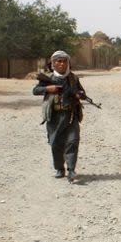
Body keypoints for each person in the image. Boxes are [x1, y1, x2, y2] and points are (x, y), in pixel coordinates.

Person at [32, 50, 88, 182]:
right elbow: (35, 90)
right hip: (54, 117)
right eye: (59, 61)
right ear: (53, 63)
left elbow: (83, 93)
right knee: (55, 143)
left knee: (73, 141)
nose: (62, 64)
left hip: (71, 114)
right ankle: (59, 168)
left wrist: (79, 94)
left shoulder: (73, 78)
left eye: (64, 61)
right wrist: (48, 89)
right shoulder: (49, 79)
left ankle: (71, 170)